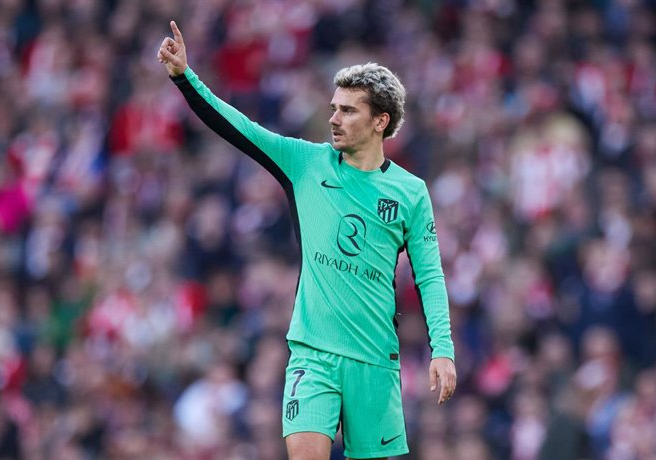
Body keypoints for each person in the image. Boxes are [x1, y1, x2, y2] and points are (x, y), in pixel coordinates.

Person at [158, 20, 456, 460]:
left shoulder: (411, 192)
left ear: (381, 121)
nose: (333, 118)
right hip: (312, 354)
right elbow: (239, 127)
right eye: (334, 107)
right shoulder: (306, 163)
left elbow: (429, 275)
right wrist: (186, 77)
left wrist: (443, 350)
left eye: (348, 111)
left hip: (374, 360)